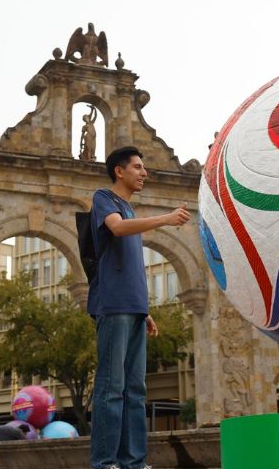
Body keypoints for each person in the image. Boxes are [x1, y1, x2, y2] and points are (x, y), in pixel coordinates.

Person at [88, 146, 191, 469]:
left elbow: (131, 265)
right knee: (111, 387)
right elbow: (116, 228)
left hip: (133, 308)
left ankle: (134, 462)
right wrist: (166, 219)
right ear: (119, 171)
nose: (144, 173)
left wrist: (144, 310)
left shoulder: (131, 211)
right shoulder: (104, 198)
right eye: (137, 167)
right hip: (112, 305)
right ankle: (105, 463)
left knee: (136, 390)